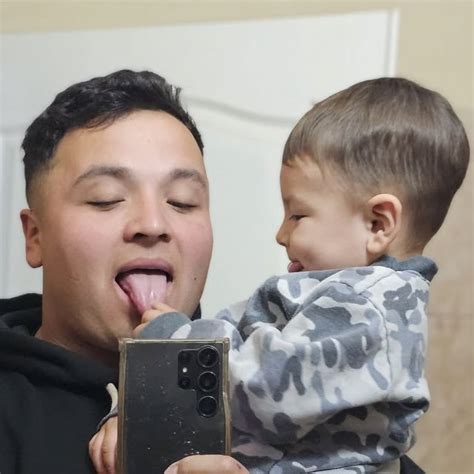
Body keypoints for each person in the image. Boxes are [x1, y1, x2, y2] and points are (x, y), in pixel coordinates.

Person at [89, 77, 470, 473]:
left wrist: (176, 342)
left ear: (378, 223)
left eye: (298, 215)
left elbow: (264, 393)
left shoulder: (369, 311)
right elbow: (233, 338)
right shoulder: (328, 295)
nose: (281, 234)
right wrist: (134, 407)